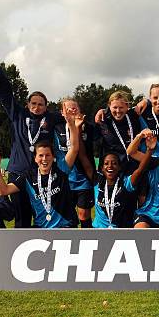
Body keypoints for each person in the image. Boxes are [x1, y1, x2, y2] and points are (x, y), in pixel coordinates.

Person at [0, 59, 65, 228]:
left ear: (46, 107)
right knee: (22, 218)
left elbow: (72, 118)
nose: (37, 107)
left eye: (41, 104)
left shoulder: (51, 119)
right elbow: (5, 94)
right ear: (27, 104)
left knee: (44, 214)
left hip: (42, 175)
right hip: (18, 172)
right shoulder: (18, 115)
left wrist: (101, 114)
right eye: (34, 103)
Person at [0, 112, 82, 228]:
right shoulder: (28, 176)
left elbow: (74, 148)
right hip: (41, 228)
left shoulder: (61, 168)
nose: (44, 159)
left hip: (65, 227)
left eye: (48, 155)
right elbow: (4, 190)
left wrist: (71, 124)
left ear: (53, 157)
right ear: (35, 158)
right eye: (40, 156)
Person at [89, 131, 155, 228]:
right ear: (102, 168)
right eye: (106, 163)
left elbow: (140, 170)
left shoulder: (126, 183)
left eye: (114, 163)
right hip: (99, 230)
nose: (110, 166)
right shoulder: (97, 182)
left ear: (119, 167)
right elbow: (83, 157)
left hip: (121, 232)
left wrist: (149, 150)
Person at [54, 97, 95, 228]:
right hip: (65, 180)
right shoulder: (56, 129)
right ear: (62, 112)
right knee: (68, 216)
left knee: (84, 214)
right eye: (68, 108)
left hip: (83, 178)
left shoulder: (88, 127)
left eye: (75, 108)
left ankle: (88, 241)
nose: (72, 110)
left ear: (79, 110)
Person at [96, 90, 147, 173]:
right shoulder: (103, 120)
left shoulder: (134, 116)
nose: (118, 111)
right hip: (113, 171)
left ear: (127, 106)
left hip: (134, 169)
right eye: (115, 107)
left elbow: (153, 101)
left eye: (121, 107)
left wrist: (145, 100)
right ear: (109, 106)